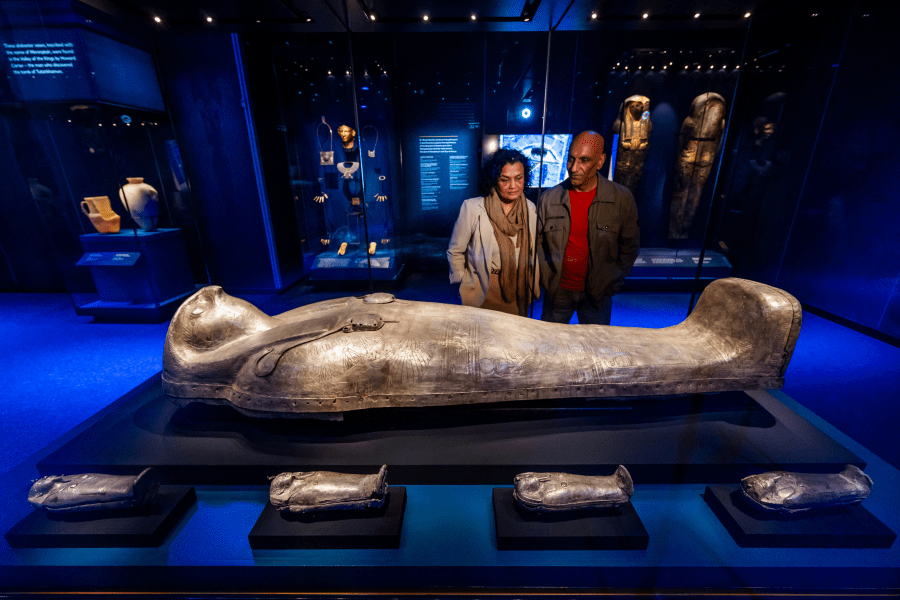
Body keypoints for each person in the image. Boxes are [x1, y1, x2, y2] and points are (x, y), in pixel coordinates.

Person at [536, 130, 640, 326]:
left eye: (584, 160)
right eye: (570, 159)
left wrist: (611, 283)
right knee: (549, 347)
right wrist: (548, 280)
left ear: (600, 162)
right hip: (558, 292)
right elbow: (539, 244)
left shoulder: (621, 199)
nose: (574, 167)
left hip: (597, 295)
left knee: (595, 350)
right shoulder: (549, 198)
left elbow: (630, 248)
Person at [447, 148, 539, 316]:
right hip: (483, 288)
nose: (513, 186)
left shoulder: (530, 209)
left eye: (518, 178)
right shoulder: (473, 208)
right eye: (505, 179)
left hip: (517, 290)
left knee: (512, 339)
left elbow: (533, 253)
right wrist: (462, 281)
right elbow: (455, 251)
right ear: (494, 179)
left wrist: (532, 283)